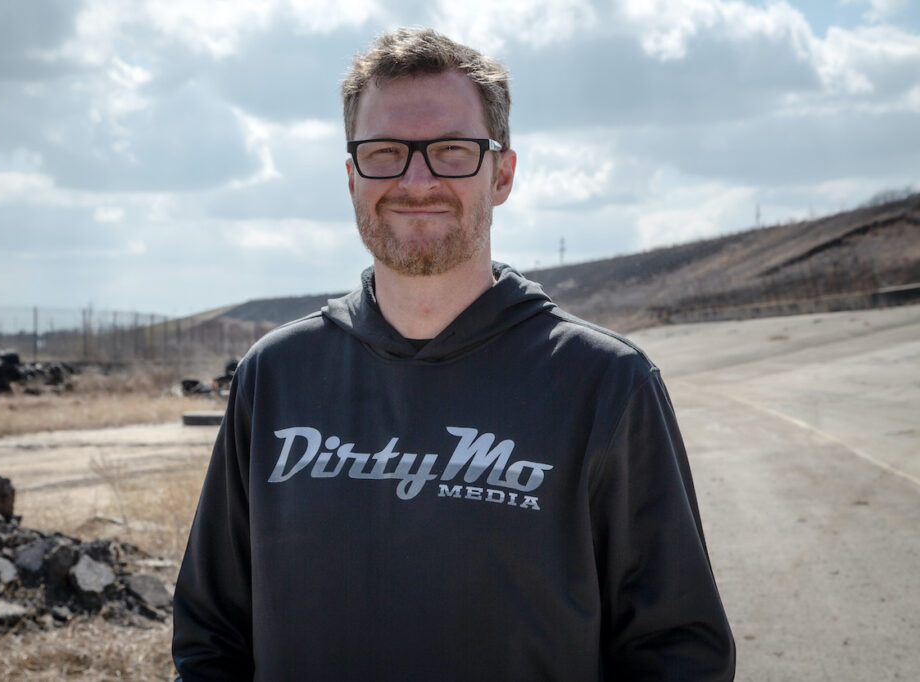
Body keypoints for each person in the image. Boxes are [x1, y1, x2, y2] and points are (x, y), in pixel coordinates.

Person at [172, 27, 736, 681]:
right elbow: (210, 634)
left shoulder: (605, 383)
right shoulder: (275, 377)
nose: (417, 179)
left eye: (451, 150)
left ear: (502, 174)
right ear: (352, 175)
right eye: (385, 152)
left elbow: (679, 651)